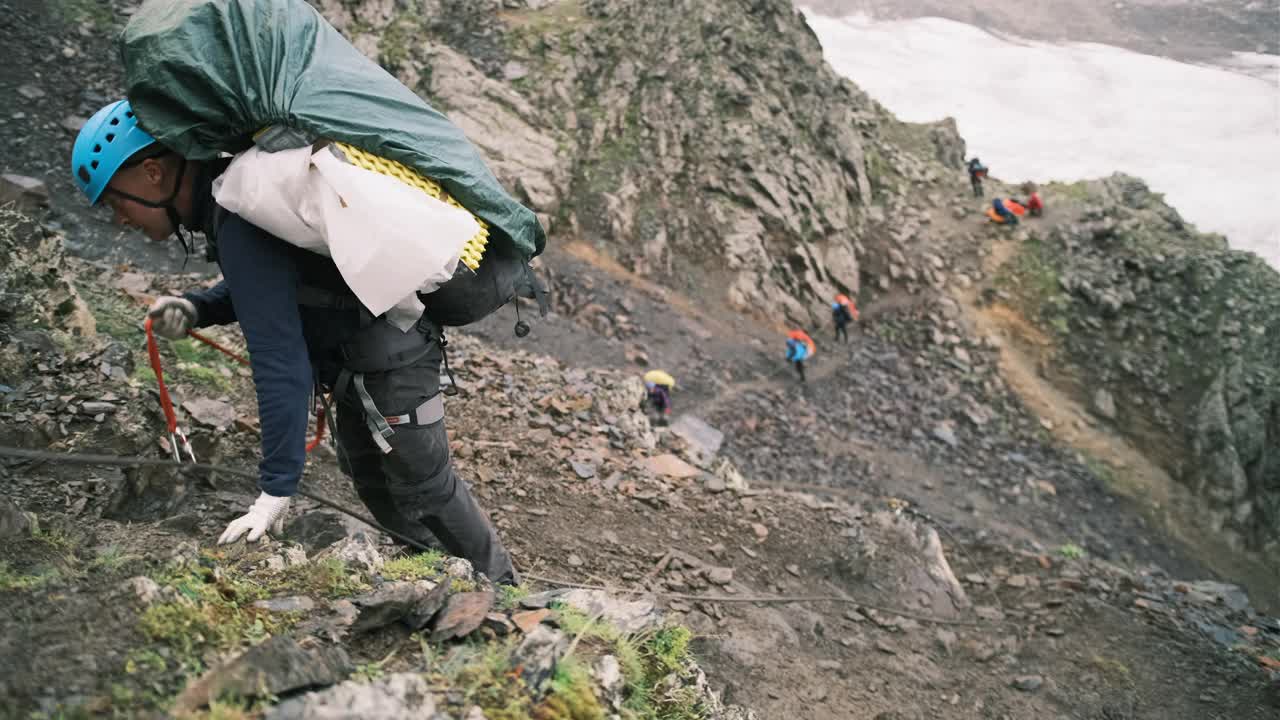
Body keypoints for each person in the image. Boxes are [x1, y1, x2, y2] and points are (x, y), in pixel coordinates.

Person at [71, 100, 517, 584]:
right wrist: (201, 307)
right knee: (372, 481)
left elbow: (279, 360)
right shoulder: (239, 200)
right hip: (365, 361)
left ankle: (503, 593)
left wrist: (275, 491)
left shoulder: (238, 210)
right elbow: (275, 282)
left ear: (152, 172)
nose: (120, 220)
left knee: (426, 487)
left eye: (116, 201)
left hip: (392, 363)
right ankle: (443, 582)